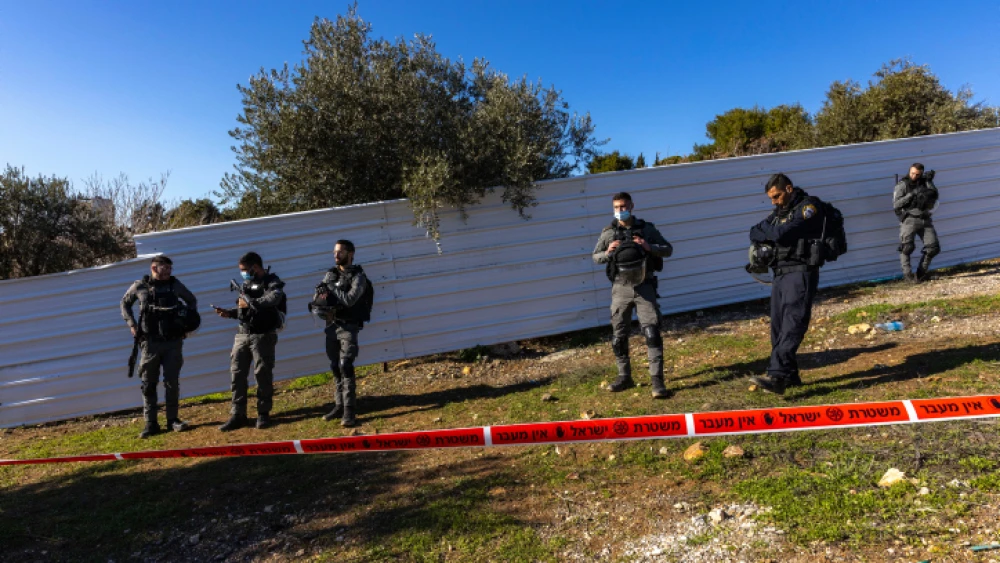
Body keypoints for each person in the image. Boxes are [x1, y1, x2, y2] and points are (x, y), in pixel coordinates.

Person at [748, 173, 826, 394]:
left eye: (777, 196)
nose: (774, 201)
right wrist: (773, 233)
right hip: (780, 273)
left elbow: (782, 234)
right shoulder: (779, 213)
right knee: (778, 327)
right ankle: (790, 376)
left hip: (800, 272)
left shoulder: (809, 207)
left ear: (789, 189)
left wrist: (772, 233)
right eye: (771, 198)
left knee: (793, 322)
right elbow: (754, 231)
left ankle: (777, 376)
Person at [592, 192, 674, 398]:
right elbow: (595, 257)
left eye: (624, 206)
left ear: (632, 206)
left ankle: (657, 381)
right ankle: (624, 376)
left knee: (652, 332)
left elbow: (668, 249)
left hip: (644, 287)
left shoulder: (646, 229)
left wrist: (649, 246)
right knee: (619, 335)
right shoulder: (609, 232)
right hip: (620, 289)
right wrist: (607, 252)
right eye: (617, 207)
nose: (621, 210)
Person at [120, 255, 198, 438]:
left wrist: (187, 325)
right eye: (165, 268)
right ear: (154, 268)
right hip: (150, 343)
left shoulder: (175, 285)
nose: (169, 272)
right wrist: (132, 325)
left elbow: (191, 301)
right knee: (148, 384)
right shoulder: (140, 286)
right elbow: (124, 303)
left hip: (173, 342)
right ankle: (151, 423)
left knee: (172, 383)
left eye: (170, 268)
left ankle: (173, 420)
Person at [214, 252, 286, 431]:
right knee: (237, 374)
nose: (243, 274)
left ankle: (263, 413)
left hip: (263, 335)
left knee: (263, 374)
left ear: (255, 267)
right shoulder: (245, 285)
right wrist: (230, 313)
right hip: (242, 334)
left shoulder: (272, 281)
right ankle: (238, 414)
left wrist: (253, 302)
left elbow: (274, 298)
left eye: (245, 270)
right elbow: (243, 310)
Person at [312, 240, 370, 427]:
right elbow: (317, 299)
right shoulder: (331, 274)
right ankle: (339, 405)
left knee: (346, 365)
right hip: (331, 326)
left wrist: (331, 288)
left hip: (348, 326)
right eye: (335, 252)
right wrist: (320, 295)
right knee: (335, 366)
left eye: (340, 252)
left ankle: (349, 411)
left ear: (351, 253)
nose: (336, 255)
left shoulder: (358, 277)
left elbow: (350, 300)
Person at [893, 163, 940, 283]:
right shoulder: (903, 185)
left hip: (925, 218)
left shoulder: (925, 182)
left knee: (933, 248)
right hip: (909, 219)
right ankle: (908, 276)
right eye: (912, 173)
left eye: (917, 174)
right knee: (906, 248)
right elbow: (896, 204)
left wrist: (929, 182)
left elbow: (934, 197)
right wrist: (912, 194)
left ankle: (921, 274)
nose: (914, 176)